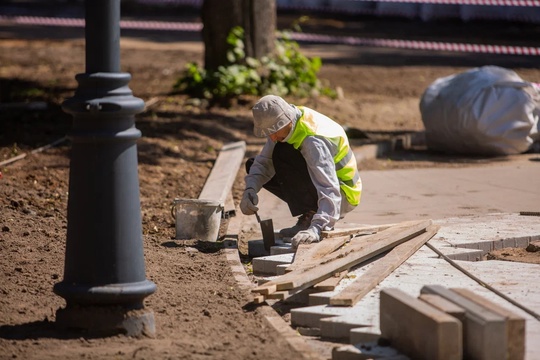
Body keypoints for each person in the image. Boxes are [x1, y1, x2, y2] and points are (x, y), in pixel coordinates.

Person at [239, 95, 362, 248]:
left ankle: (314, 216)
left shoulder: (313, 141)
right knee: (254, 165)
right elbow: (263, 163)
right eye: (268, 132)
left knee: (284, 153)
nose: (272, 136)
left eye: (274, 131)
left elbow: (329, 186)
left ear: (286, 120)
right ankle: (310, 213)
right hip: (327, 186)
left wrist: (318, 228)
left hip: (343, 194)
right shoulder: (285, 125)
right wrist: (250, 189)